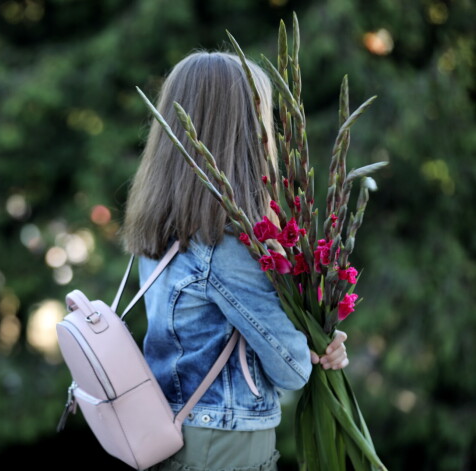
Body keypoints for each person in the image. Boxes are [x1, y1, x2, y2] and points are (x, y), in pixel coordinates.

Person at [120, 50, 349, 471]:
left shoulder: (163, 229)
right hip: (222, 444)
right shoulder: (224, 245)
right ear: (241, 131)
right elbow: (292, 369)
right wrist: (315, 344)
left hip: (169, 429)